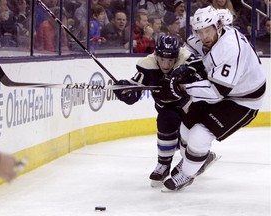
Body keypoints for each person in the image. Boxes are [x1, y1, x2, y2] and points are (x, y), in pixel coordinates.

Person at [160, 6, 266, 191]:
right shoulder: (207, 37)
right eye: (200, 32)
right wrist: (188, 66)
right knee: (185, 128)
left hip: (244, 99)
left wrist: (182, 87)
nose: (204, 36)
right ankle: (198, 160)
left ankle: (187, 173)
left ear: (218, 26)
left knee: (199, 136)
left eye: (207, 30)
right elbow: (189, 50)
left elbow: (218, 92)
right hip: (223, 89)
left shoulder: (230, 48)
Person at [113, 35, 215, 187]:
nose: (166, 65)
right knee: (166, 120)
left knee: (187, 138)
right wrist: (124, 91)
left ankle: (197, 157)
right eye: (162, 59)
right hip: (167, 109)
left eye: (170, 60)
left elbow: (202, 82)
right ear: (156, 56)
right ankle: (164, 164)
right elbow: (134, 94)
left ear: (177, 56)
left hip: (191, 109)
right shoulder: (148, 65)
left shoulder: (188, 61)